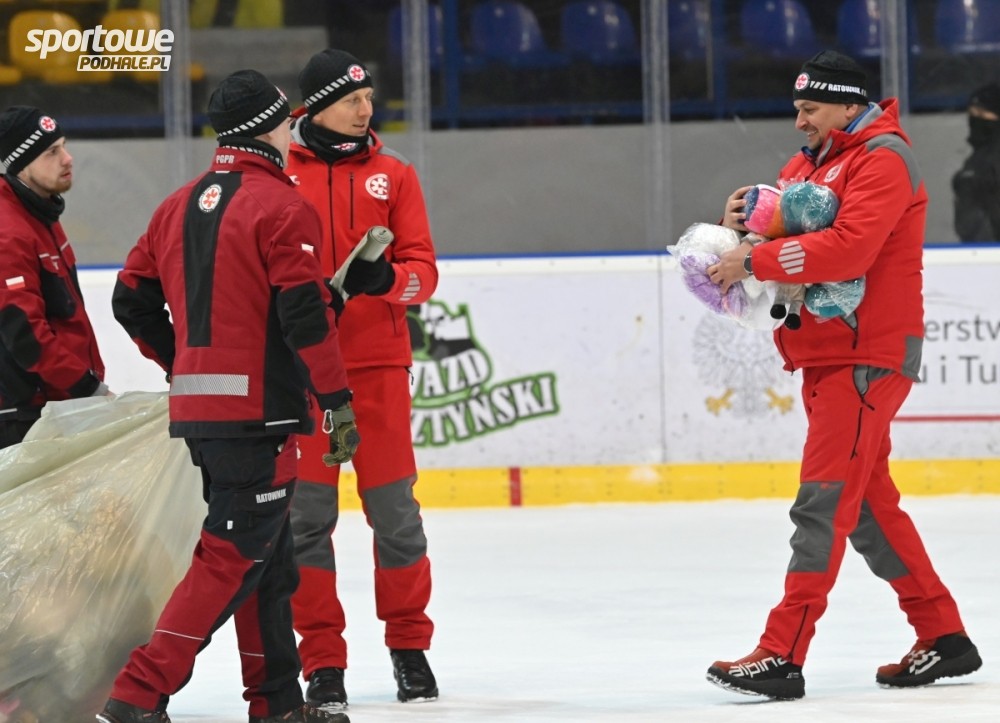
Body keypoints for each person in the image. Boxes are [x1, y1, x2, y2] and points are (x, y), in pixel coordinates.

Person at [704, 50, 982, 700]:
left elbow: (851, 248)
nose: (799, 120)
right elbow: (771, 247)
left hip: (866, 355)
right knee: (868, 508)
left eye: (810, 108)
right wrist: (735, 229)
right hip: (826, 354)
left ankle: (782, 652)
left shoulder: (884, 158)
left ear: (849, 104)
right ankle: (943, 635)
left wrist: (755, 259)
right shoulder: (805, 166)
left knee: (824, 502)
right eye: (797, 108)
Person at [101, 70, 358, 723]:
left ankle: (278, 704)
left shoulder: (176, 205)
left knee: (266, 563)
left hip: (202, 413)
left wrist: (184, 362)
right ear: (271, 127)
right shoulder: (283, 206)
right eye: (287, 120)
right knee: (230, 559)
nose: (292, 129)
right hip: (259, 415)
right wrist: (337, 398)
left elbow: (129, 299)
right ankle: (137, 692)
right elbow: (305, 318)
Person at [285, 48, 439, 708]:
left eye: (369, 97)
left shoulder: (394, 173)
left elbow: (425, 274)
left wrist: (389, 279)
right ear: (317, 106)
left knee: (396, 516)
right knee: (305, 523)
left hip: (377, 370)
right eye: (352, 100)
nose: (366, 109)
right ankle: (322, 660)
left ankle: (409, 647)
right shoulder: (276, 171)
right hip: (301, 375)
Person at [0, 106, 111, 449]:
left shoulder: (39, 213)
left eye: (63, 146)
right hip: (24, 416)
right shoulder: (9, 230)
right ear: (21, 164)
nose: (67, 158)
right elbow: (23, 331)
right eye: (51, 152)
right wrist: (86, 387)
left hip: (54, 405)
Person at [952, 81, 1000, 243]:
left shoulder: (989, 160)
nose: (975, 118)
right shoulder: (977, 159)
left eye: (982, 112)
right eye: (972, 112)